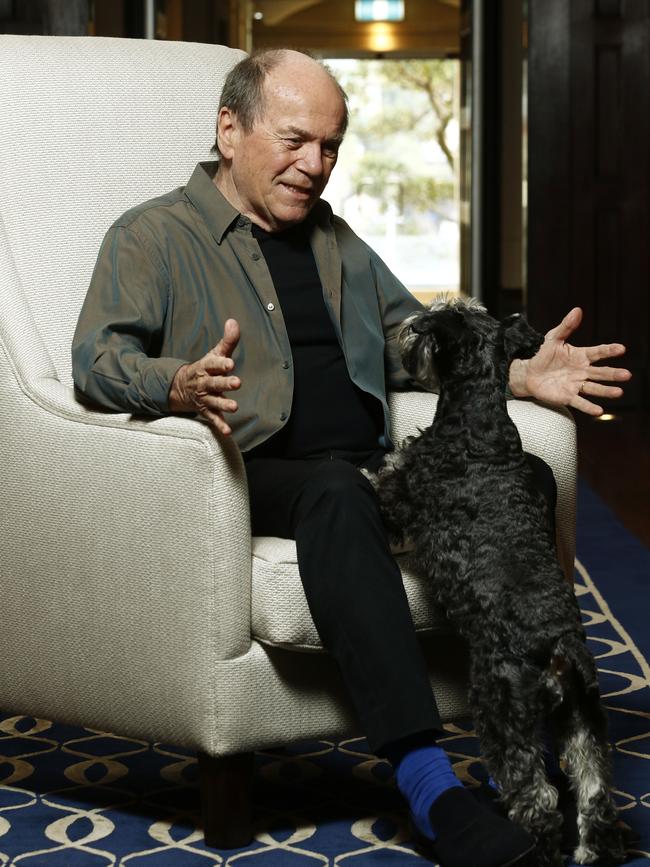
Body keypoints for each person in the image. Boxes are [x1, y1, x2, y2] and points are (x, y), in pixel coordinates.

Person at [72, 49, 631, 867]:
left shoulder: (338, 242)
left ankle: (536, 723)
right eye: (297, 140)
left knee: (527, 472)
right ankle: (432, 785)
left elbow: (416, 347)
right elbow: (95, 358)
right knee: (337, 491)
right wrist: (177, 383)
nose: (316, 165)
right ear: (230, 129)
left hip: (375, 471)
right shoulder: (154, 236)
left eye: (331, 146)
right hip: (243, 471)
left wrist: (515, 373)